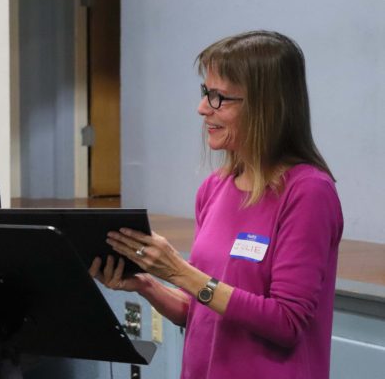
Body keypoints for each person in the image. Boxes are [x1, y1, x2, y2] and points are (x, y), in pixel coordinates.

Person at [90, 31, 343, 379]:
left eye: (218, 97)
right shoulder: (214, 188)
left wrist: (180, 271)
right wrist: (147, 283)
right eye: (204, 93)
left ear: (265, 107)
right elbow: (203, 310)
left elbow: (286, 322)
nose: (202, 107)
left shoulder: (308, 192)